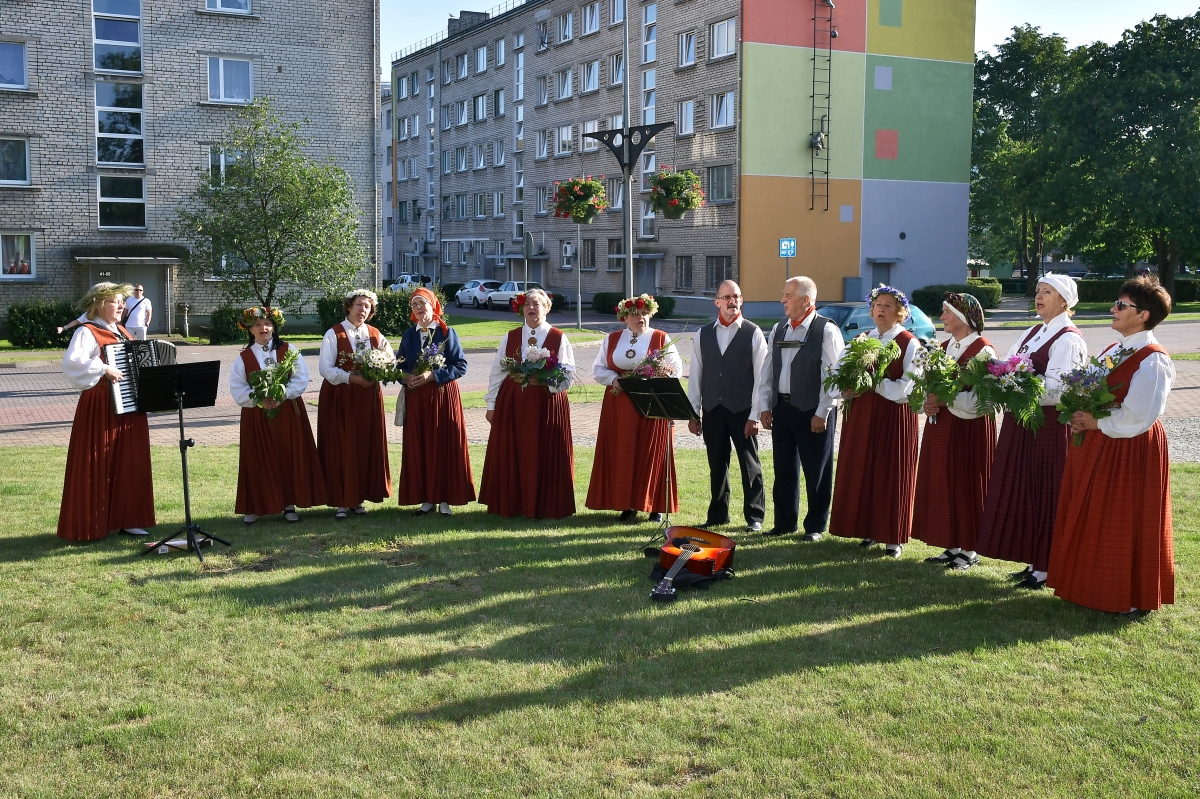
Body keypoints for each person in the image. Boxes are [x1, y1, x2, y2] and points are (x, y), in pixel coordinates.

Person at [1048, 277, 1175, 613]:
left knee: (1123, 517)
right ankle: (1093, 586)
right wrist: (1080, 412)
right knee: (1097, 514)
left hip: (1130, 448)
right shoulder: (1114, 350)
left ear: (1143, 315)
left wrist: (1096, 422)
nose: (1112, 309)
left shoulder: (1153, 360)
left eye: (1121, 305)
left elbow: (1139, 416)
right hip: (1100, 441)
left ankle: (1127, 596)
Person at [976, 274, 1088, 589]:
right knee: (1026, 490)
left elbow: (1059, 390)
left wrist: (1016, 381)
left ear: (1064, 301)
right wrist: (1001, 373)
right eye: (1038, 291)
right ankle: (1033, 560)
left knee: (1046, 491)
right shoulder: (1034, 331)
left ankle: (1048, 566)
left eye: (1047, 292)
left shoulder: (1068, 339)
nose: (1039, 296)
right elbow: (1010, 363)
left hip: (1048, 425)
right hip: (1024, 421)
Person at [56, 282, 155, 540]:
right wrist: (102, 368)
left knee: (130, 460)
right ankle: (92, 524)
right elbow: (72, 364)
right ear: (99, 304)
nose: (122, 306)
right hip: (101, 404)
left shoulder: (121, 330)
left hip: (130, 405)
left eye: (123, 301)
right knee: (98, 459)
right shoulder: (87, 332)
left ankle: (129, 519)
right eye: (116, 301)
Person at [829, 284, 921, 558]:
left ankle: (893, 538)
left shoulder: (909, 343)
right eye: (877, 305)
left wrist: (874, 383)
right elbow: (837, 373)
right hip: (861, 416)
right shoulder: (861, 339)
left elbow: (909, 387)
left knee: (890, 472)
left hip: (893, 417)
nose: (881, 309)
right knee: (863, 469)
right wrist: (845, 389)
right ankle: (866, 529)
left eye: (887, 305)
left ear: (900, 312)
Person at [912, 293, 997, 571]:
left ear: (964, 317)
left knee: (965, 482)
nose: (942, 317)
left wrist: (945, 400)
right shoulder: (944, 347)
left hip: (969, 427)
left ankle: (970, 549)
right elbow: (928, 387)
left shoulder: (984, 350)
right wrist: (928, 402)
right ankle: (952, 544)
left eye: (947, 312)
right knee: (944, 480)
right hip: (943, 426)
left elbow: (983, 400)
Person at [479, 288, 578, 519]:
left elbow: (568, 375)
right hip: (514, 403)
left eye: (537, 304)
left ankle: (545, 505)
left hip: (546, 404)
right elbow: (497, 372)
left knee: (545, 453)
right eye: (527, 304)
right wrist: (491, 405)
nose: (531, 308)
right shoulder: (511, 336)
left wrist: (545, 381)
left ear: (546, 308)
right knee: (513, 452)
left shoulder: (558, 337)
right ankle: (513, 504)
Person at [586, 294, 684, 523]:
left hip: (651, 403)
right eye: (635, 314)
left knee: (651, 452)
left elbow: (676, 369)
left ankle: (654, 506)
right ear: (624, 318)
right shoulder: (612, 339)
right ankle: (626, 504)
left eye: (645, 313)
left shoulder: (660, 337)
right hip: (619, 405)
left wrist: (656, 376)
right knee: (624, 452)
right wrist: (614, 379)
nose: (641, 318)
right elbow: (598, 368)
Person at [759, 276, 843, 539]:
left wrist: (822, 412)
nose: (782, 300)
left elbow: (834, 376)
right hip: (782, 409)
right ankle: (785, 522)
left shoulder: (826, 330)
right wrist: (765, 405)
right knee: (784, 468)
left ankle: (815, 526)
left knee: (817, 470)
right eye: (784, 294)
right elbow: (768, 370)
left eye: (788, 295)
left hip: (813, 411)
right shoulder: (779, 329)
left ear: (806, 300)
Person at [229, 306, 327, 524]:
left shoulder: (289, 350)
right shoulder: (243, 358)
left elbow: (301, 378)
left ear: (274, 327)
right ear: (250, 329)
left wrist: (283, 393)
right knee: (256, 457)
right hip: (257, 415)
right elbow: (237, 388)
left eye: (267, 324)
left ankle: (289, 504)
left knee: (287, 455)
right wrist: (260, 400)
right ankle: (253, 506)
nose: (263, 328)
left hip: (287, 411)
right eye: (258, 324)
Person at [686, 280, 769, 532]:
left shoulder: (753, 332)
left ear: (741, 300)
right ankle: (718, 515)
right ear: (717, 302)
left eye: (737, 296)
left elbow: (762, 377)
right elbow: (696, 374)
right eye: (727, 297)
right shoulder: (703, 333)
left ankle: (754, 516)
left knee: (749, 464)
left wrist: (755, 414)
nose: (732, 301)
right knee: (717, 464)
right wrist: (693, 413)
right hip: (713, 410)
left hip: (743, 410)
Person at [397, 287, 476, 516]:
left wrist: (433, 375)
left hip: (442, 397)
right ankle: (427, 499)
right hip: (417, 400)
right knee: (421, 446)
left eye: (422, 303)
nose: (418, 308)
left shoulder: (446, 332)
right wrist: (405, 377)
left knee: (442, 445)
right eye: (414, 304)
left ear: (433, 306)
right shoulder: (409, 335)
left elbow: (460, 366)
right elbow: (400, 364)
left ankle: (444, 500)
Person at [317, 288, 393, 519]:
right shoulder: (334, 334)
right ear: (349, 306)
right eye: (359, 304)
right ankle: (341, 500)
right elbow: (326, 369)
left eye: (367, 306)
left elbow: (390, 360)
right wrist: (351, 378)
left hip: (368, 397)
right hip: (341, 397)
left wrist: (379, 372)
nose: (363, 309)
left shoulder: (375, 334)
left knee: (364, 445)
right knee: (341, 445)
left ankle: (358, 498)